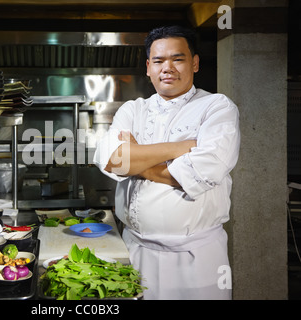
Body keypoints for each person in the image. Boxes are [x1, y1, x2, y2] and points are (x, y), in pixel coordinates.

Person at [93, 25, 240, 300]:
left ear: (194, 63)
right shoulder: (133, 109)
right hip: (135, 250)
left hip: (196, 258)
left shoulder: (218, 108)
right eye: (159, 61)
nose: (167, 68)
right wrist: (180, 148)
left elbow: (201, 171)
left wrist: (137, 159)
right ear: (148, 67)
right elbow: (113, 160)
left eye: (178, 59)